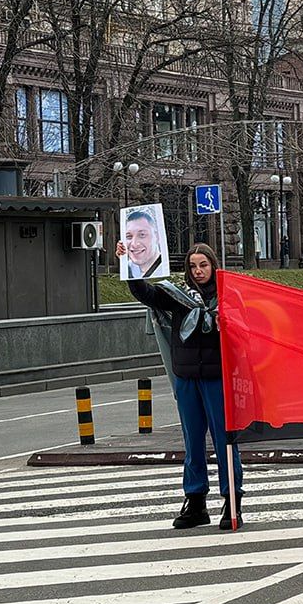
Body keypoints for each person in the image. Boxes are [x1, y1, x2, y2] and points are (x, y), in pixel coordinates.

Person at [127, 243, 243, 530]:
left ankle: (232, 501)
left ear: (213, 266)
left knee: (225, 441)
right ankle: (195, 502)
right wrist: (129, 265)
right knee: (192, 442)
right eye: (193, 266)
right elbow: (147, 294)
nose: (198, 271)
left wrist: (225, 322)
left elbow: (246, 330)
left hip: (218, 378)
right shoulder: (178, 297)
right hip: (187, 377)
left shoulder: (228, 296)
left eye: (203, 265)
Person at [115, 209, 164, 278]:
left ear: (157, 236)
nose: (134, 244)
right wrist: (123, 259)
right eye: (129, 236)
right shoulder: (129, 267)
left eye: (142, 235)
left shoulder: (163, 268)